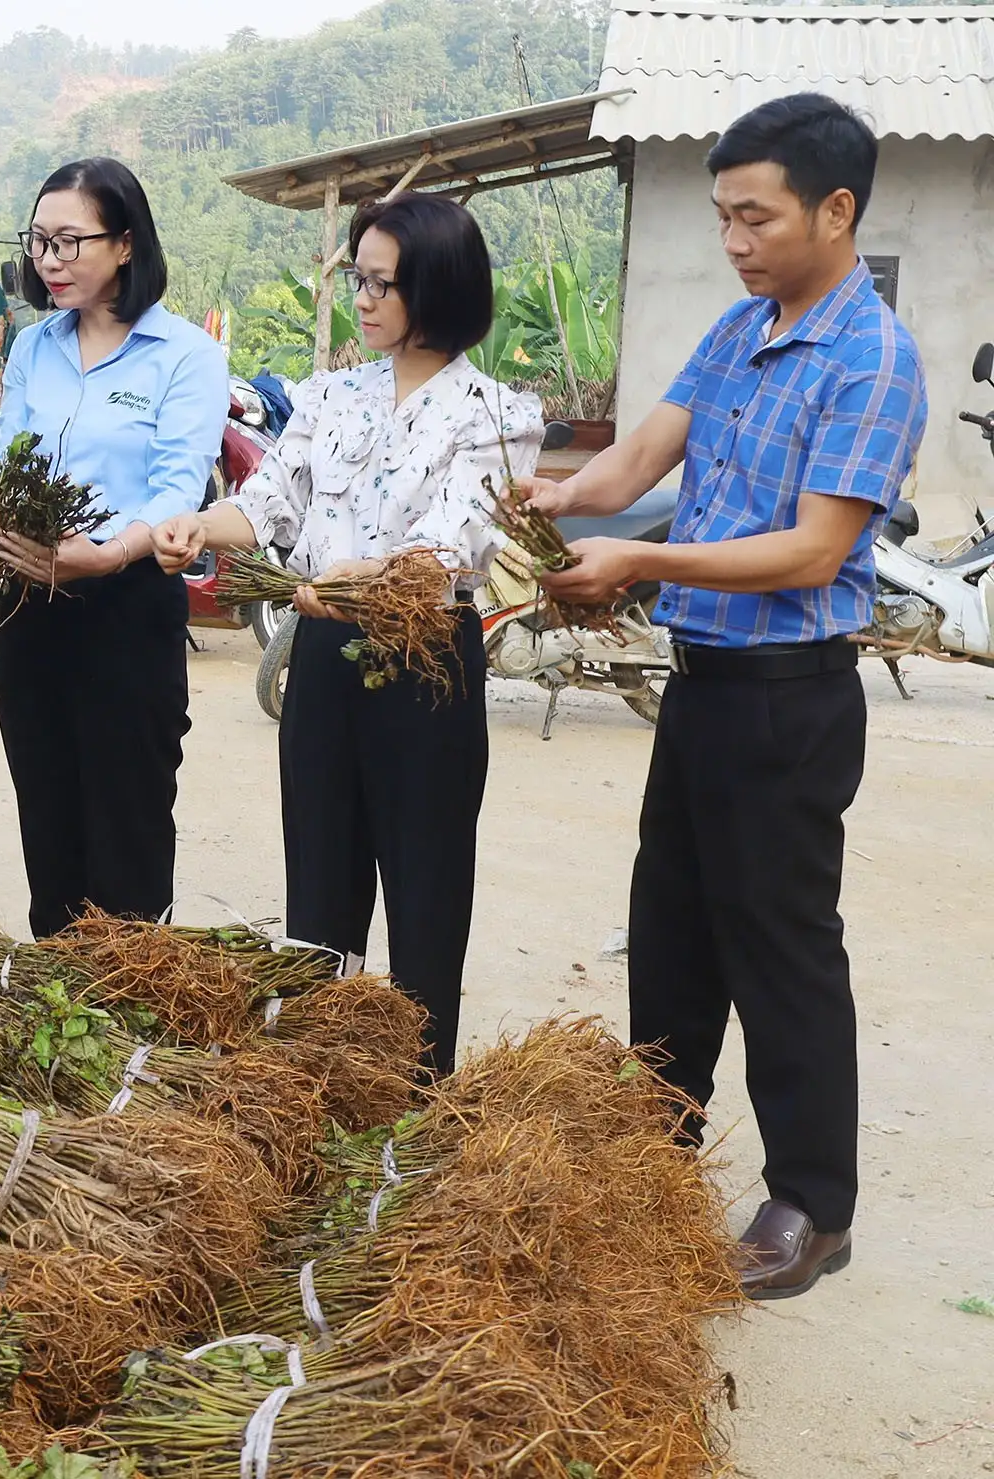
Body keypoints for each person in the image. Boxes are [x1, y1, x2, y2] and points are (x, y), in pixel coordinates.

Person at [523, 94, 927, 1298]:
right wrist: (557, 503)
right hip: (700, 685)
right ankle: (652, 1154)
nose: (736, 240)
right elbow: (638, 458)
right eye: (722, 218)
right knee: (672, 931)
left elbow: (812, 551)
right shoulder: (739, 327)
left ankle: (813, 1203)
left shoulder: (870, 360)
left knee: (781, 946)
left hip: (786, 700)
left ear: (834, 208)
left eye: (755, 216)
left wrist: (637, 560)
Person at [154, 195, 541, 1076]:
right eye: (357, 278)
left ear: (437, 287)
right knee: (320, 887)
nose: (362, 298)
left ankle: (414, 1094)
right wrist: (196, 528)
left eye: (381, 282)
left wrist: (331, 582)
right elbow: (269, 504)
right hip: (322, 659)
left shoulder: (496, 414)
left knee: (425, 892)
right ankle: (325, 1083)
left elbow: (446, 549)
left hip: (426, 660)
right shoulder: (330, 395)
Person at [0, 158, 228, 941]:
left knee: (129, 835)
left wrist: (108, 555)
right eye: (39, 241)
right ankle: (60, 1023)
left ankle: (129, 1030)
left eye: (70, 241)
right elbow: (13, 460)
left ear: (127, 244)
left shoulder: (184, 355)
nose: (49, 260)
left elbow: (178, 489)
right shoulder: (36, 347)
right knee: (50, 829)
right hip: (30, 608)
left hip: (127, 608)